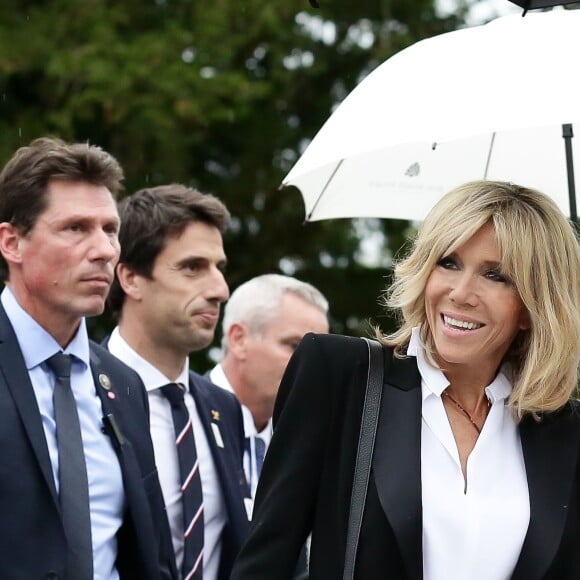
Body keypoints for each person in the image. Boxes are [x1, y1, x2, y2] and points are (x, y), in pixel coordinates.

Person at [230, 180, 580, 580]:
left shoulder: (561, 428)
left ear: (534, 305)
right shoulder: (340, 375)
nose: (461, 293)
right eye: (448, 262)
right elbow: (265, 561)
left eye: (495, 275)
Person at [0, 137, 176, 579]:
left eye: (110, 229)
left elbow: (150, 554)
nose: (103, 251)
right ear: (12, 242)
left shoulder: (123, 383)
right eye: (75, 228)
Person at [106, 184, 250, 580]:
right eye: (192, 267)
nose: (219, 290)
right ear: (131, 278)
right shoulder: (81, 394)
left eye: (219, 268)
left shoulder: (224, 409)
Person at [209, 273, 329, 498]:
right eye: (294, 346)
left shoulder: (302, 445)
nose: (312, 368)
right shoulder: (183, 420)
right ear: (239, 340)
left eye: (318, 355)